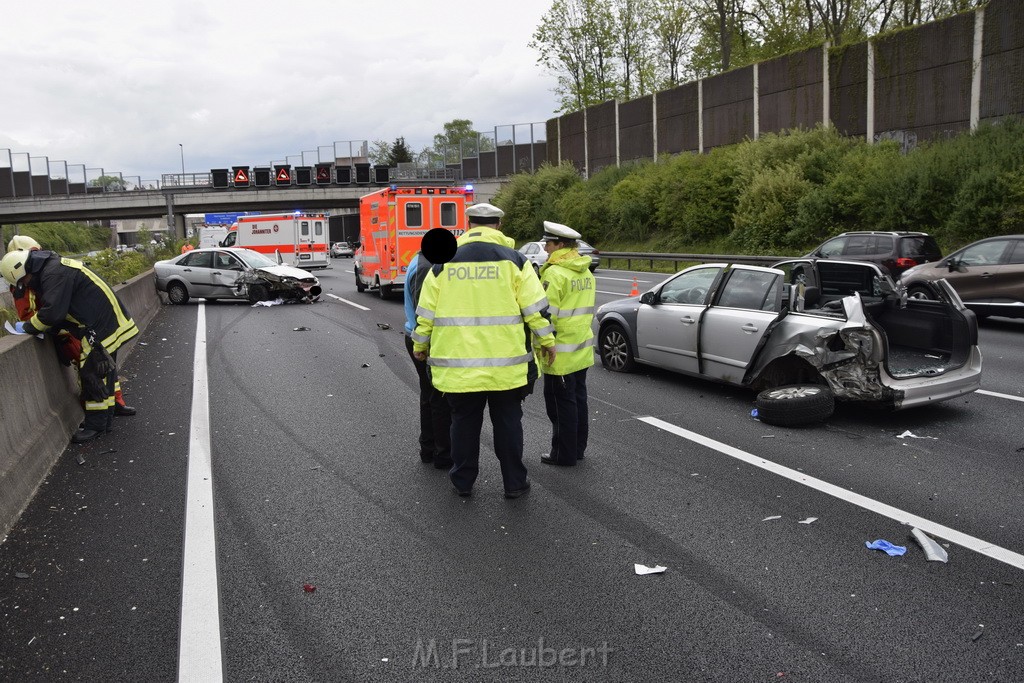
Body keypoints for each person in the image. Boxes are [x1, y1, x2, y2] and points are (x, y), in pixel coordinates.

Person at [412, 203, 556, 499]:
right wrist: (547, 342)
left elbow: (425, 313)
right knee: (508, 425)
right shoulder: (515, 261)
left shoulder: (443, 261)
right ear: (498, 225)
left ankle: (463, 482)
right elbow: (535, 310)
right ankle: (514, 483)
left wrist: (420, 346)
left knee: (463, 424)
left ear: (468, 224)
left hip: (458, 368)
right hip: (507, 367)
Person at [1, 248, 139, 444]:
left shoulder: (53, 274)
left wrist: (29, 326)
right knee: (103, 370)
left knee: (90, 374)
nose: (25, 285)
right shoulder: (53, 266)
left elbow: (53, 313)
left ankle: (96, 426)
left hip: (99, 327)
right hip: (104, 322)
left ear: (23, 271)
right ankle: (108, 414)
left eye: (23, 281)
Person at [535, 221, 596, 466]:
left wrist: (542, 343)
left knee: (560, 407)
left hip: (559, 351)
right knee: (578, 400)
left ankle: (563, 454)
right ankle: (578, 448)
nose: (545, 249)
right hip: (581, 348)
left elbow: (547, 315)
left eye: (548, 243)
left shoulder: (554, 273)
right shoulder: (585, 271)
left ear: (560, 244)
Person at [403, 230, 453, 471]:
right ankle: (442, 453)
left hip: (418, 337)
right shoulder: (426, 268)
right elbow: (424, 313)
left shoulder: (420, 261)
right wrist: (425, 344)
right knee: (438, 398)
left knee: (429, 396)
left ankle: (429, 448)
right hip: (425, 339)